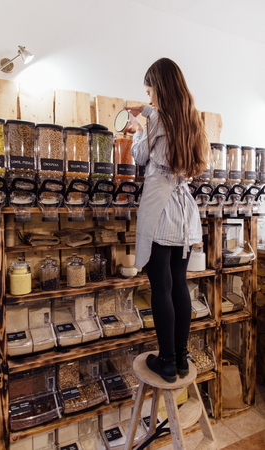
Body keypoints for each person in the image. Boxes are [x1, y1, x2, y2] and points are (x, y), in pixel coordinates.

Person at [124, 58, 210, 383]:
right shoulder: (191, 119)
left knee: (160, 286)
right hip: (184, 212)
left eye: (150, 92)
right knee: (179, 284)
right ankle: (182, 358)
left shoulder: (159, 118)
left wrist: (136, 129)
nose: (149, 100)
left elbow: (141, 155)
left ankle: (167, 362)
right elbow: (155, 119)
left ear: (160, 88)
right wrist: (143, 114)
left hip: (162, 208)